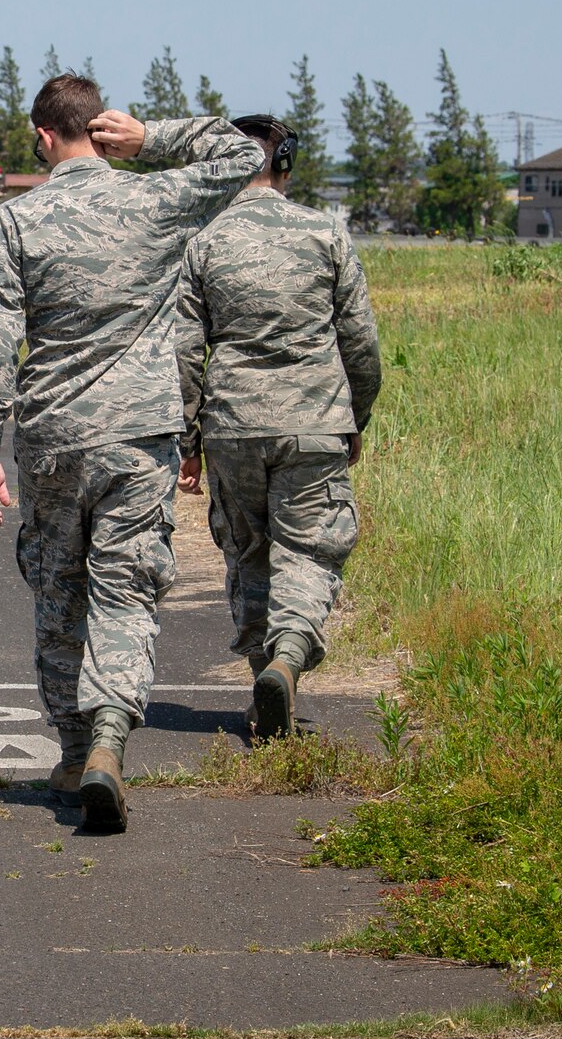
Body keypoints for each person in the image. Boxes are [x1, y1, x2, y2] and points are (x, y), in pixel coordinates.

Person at [0, 74, 263, 834]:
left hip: (53, 438)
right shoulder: (155, 200)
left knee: (59, 591)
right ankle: (107, 740)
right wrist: (153, 139)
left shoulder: (17, 220)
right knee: (125, 590)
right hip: (139, 436)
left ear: (43, 138)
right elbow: (242, 153)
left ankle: (72, 747)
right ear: (99, 129)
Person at [173, 115, 382, 740]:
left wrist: (188, 441)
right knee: (311, 550)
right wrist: (355, 418)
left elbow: (184, 351)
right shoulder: (327, 233)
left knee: (249, 552)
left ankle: (268, 681)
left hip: (233, 425)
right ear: (285, 163)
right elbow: (362, 345)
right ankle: (288, 659)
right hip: (314, 421)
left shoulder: (203, 241)